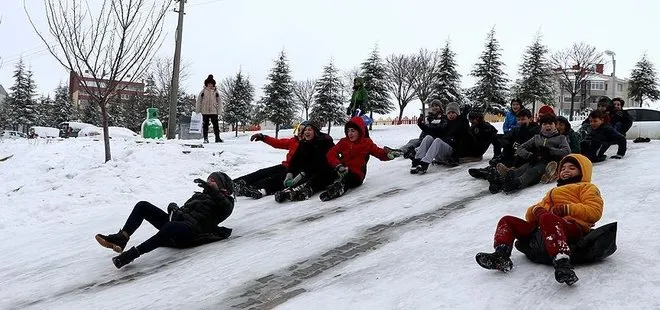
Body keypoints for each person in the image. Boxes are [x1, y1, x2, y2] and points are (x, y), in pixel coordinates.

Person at [475, 154, 603, 286]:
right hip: (546, 227)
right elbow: (532, 214)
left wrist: (567, 209)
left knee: (547, 217)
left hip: (573, 227)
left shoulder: (587, 188)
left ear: (583, 171)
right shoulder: (553, 192)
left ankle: (562, 262)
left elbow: (594, 211)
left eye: (572, 168)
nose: (566, 171)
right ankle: (501, 255)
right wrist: (536, 211)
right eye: (563, 168)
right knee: (507, 220)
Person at [95, 172, 234, 269]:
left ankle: (132, 255)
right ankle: (122, 238)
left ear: (223, 187)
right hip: (178, 226)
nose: (209, 182)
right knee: (142, 206)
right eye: (209, 179)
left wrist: (214, 191)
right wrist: (174, 208)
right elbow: (183, 212)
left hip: (190, 234)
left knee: (171, 227)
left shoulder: (226, 202)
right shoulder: (198, 197)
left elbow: (224, 206)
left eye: (213, 180)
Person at [321, 116, 400, 201]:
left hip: (357, 174)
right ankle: (312, 187)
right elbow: (331, 154)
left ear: (360, 131)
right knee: (325, 173)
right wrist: (338, 166)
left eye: (353, 131)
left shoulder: (366, 143)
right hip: (342, 169)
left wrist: (388, 155)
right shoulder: (343, 142)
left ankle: (337, 189)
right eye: (348, 131)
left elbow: (378, 152)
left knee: (348, 179)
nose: (350, 134)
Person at [490, 114, 570, 194]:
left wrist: (550, 150)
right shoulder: (537, 138)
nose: (548, 126)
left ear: (555, 125)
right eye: (545, 124)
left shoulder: (561, 138)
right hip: (535, 160)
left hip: (548, 163)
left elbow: (567, 151)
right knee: (522, 169)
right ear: (541, 126)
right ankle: (502, 181)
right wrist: (529, 155)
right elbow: (520, 148)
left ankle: (517, 183)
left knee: (532, 172)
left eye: (550, 124)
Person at [233, 122, 308, 199]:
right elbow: (278, 143)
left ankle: (255, 188)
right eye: (299, 130)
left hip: (296, 171)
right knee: (263, 172)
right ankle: (236, 183)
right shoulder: (294, 141)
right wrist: (263, 138)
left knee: (275, 178)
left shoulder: (311, 145)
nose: (300, 133)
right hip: (286, 166)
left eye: (303, 130)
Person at [274, 122, 335, 202]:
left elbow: (318, 162)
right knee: (292, 175)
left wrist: (303, 173)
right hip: (308, 170)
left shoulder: (323, 142)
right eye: (305, 130)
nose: (307, 132)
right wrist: (290, 173)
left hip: (326, 170)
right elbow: (295, 159)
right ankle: (288, 191)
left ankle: (305, 190)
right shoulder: (303, 143)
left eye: (309, 130)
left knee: (316, 177)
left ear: (315, 132)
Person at [410, 102, 470, 174]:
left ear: (457, 114)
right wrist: (421, 125)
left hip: (452, 152)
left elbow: (464, 132)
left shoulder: (461, 123)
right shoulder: (445, 123)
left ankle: (425, 164)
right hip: (441, 153)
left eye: (453, 112)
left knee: (438, 140)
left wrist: (464, 116)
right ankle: (417, 160)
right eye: (449, 113)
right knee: (428, 137)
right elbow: (433, 131)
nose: (451, 114)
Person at [196, 74, 223, 143]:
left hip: (214, 111)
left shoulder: (216, 91)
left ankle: (217, 138)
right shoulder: (203, 91)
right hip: (205, 111)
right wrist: (198, 110)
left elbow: (219, 101)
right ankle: (205, 139)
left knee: (216, 125)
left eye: (211, 84)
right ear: (206, 84)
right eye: (209, 84)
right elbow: (199, 100)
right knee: (205, 125)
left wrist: (219, 111)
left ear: (213, 84)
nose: (210, 85)